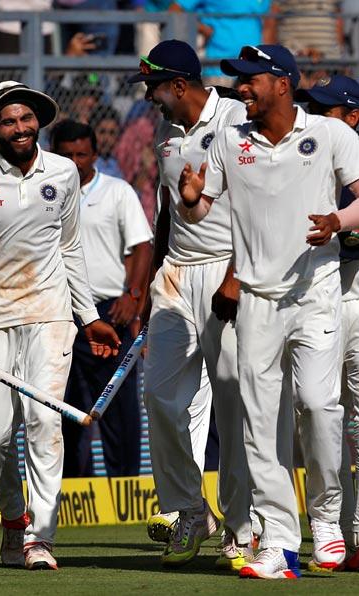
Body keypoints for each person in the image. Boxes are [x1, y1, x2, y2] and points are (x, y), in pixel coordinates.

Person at [178, 43, 359, 579]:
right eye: (239, 79)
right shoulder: (229, 140)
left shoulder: (332, 135)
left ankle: (326, 520)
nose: (241, 87)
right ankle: (277, 543)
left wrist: (340, 221)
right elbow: (204, 204)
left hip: (316, 290)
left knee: (319, 407)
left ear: (282, 83)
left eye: (251, 79)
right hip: (256, 299)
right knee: (259, 424)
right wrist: (192, 198)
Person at [0, 80, 120, 571]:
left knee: (45, 421)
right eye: (9, 121)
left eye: (27, 119)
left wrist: (88, 317)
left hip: (50, 315)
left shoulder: (64, 172)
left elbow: (69, 248)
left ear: (38, 122)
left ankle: (40, 537)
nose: (20, 128)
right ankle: (12, 518)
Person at [130, 39, 252, 570]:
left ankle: (243, 526)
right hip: (176, 276)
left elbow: (259, 211)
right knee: (160, 398)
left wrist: (236, 278)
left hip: (230, 270)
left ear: (178, 85)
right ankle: (188, 511)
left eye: (155, 89)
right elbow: (165, 211)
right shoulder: (168, 131)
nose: (150, 100)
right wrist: (151, 281)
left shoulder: (237, 121)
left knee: (233, 406)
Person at [50, 119, 152, 478]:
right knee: (66, 408)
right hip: (59, 311)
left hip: (110, 311)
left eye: (81, 154)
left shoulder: (117, 191)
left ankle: (124, 488)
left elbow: (142, 244)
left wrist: (134, 296)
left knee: (119, 407)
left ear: (94, 154)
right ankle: (75, 491)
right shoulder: (45, 193)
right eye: (66, 155)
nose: (75, 162)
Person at [294, 74, 359, 571]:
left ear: (352, 116)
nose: (310, 115)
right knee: (316, 415)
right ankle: (330, 527)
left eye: (323, 108)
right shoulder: (302, 158)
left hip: (355, 291)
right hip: (313, 293)